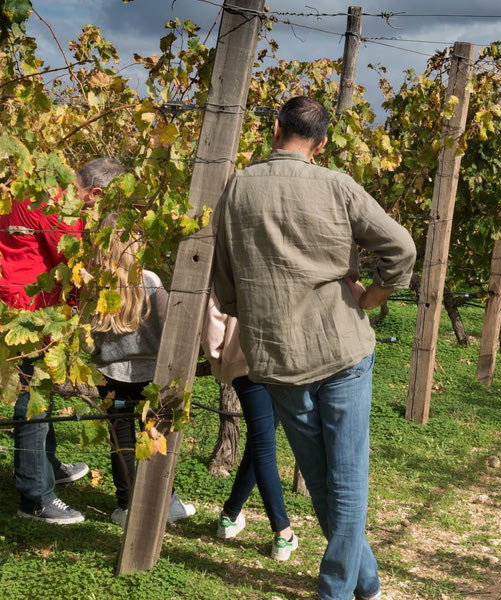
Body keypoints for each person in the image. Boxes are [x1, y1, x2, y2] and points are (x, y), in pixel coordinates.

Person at [213, 96, 416, 600]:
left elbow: (226, 285)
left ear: (275, 129)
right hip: (342, 347)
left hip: (278, 357)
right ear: (321, 144)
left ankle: (359, 584)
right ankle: (347, 588)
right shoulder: (337, 186)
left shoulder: (237, 187)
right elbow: (401, 248)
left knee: (321, 479)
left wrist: (257, 302)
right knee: (344, 481)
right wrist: (372, 294)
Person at [1, 158, 123, 524]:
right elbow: (74, 266)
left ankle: (47, 466)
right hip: (30, 309)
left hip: (20, 300)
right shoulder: (60, 211)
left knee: (42, 391)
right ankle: (35, 497)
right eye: (101, 205)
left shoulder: (35, 186)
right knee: (33, 398)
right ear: (95, 193)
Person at [90, 213, 195, 527]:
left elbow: (86, 337)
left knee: (120, 440)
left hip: (111, 375)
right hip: (153, 375)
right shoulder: (150, 282)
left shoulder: (96, 286)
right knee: (156, 434)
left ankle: (126, 505)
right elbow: (167, 329)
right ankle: (167, 500)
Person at [202, 291, 296, 560]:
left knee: (260, 443)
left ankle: (230, 515)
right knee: (263, 444)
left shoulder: (232, 255)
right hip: (284, 361)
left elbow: (214, 315)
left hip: (244, 362)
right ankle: (282, 531)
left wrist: (219, 358)